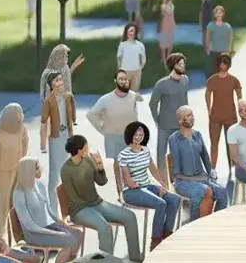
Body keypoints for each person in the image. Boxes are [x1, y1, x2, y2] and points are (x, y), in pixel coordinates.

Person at [59, 136, 144, 262]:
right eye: (86, 145)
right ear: (80, 149)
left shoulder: (88, 160)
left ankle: (135, 258)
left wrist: (100, 166)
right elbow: (74, 197)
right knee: (105, 228)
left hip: (97, 203)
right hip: (79, 210)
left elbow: (102, 182)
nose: (88, 146)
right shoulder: (66, 170)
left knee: (130, 216)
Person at [117, 122, 183, 251]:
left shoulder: (145, 150)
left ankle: (167, 233)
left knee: (175, 199)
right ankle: (156, 240)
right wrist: (132, 183)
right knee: (161, 203)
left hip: (147, 186)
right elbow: (126, 177)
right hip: (131, 191)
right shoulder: (124, 154)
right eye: (136, 133)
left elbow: (153, 169)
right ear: (130, 135)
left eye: (141, 133)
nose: (139, 136)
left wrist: (162, 185)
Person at [11, 156, 82, 263]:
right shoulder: (19, 194)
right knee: (69, 240)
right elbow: (30, 225)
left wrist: (63, 224)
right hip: (34, 233)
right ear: (29, 170)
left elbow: (48, 211)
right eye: (37, 167)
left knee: (78, 234)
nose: (40, 169)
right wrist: (57, 234)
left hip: (49, 225)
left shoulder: (40, 184)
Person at [168, 106, 229, 221]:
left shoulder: (197, 135)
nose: (191, 118)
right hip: (183, 181)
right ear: (180, 120)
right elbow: (177, 172)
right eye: (187, 116)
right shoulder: (174, 139)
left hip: (202, 177)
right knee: (205, 191)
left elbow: (205, 157)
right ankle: (195, 222)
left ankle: (216, 222)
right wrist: (196, 179)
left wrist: (211, 171)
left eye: (192, 115)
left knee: (222, 192)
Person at [149, 54, 191, 187]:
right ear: (173, 65)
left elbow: (185, 101)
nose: (183, 66)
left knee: (182, 155)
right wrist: (157, 120)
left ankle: (181, 183)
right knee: (161, 156)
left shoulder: (185, 80)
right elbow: (152, 103)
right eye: (180, 64)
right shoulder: (161, 84)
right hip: (165, 126)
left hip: (181, 126)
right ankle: (163, 185)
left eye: (184, 64)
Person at [0, 102, 28, 246]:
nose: (20, 116)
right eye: (18, 113)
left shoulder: (20, 129)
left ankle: (18, 235)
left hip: (17, 170)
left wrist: (23, 161)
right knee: (3, 205)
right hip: (3, 174)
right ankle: (1, 236)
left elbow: (25, 142)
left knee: (17, 203)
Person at [88, 70, 144, 160]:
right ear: (115, 80)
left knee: (132, 162)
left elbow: (139, 104)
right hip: (114, 135)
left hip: (131, 136)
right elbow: (91, 114)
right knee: (118, 162)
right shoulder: (105, 99)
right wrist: (102, 129)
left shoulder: (133, 96)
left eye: (125, 79)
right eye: (120, 79)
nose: (123, 81)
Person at [39, 71, 76, 204]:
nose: (59, 83)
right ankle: (53, 208)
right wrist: (42, 144)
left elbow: (72, 112)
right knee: (55, 172)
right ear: (51, 84)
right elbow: (43, 122)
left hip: (67, 135)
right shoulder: (48, 101)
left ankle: (68, 207)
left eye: (61, 80)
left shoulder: (67, 96)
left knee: (68, 170)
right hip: (55, 137)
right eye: (56, 81)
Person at [204, 54, 242, 168]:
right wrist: (209, 110)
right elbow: (208, 94)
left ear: (229, 64)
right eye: (221, 62)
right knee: (214, 144)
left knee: (231, 143)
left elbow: (239, 95)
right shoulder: (212, 80)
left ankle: (233, 168)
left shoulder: (234, 80)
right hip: (215, 117)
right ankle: (213, 168)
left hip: (231, 116)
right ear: (218, 64)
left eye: (225, 62)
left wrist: (241, 109)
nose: (223, 64)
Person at [116, 22, 146, 92]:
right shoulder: (122, 45)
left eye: (132, 31)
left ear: (135, 32)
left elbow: (143, 58)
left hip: (136, 72)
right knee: (123, 92)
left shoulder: (140, 45)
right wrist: (120, 70)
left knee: (134, 93)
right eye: (129, 31)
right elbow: (119, 58)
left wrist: (140, 67)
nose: (130, 33)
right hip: (125, 71)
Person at [157, 0, 176, 64]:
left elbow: (166, 13)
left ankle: (165, 58)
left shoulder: (166, 5)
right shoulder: (169, 5)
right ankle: (165, 57)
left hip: (167, 24)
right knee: (166, 42)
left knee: (166, 42)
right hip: (168, 24)